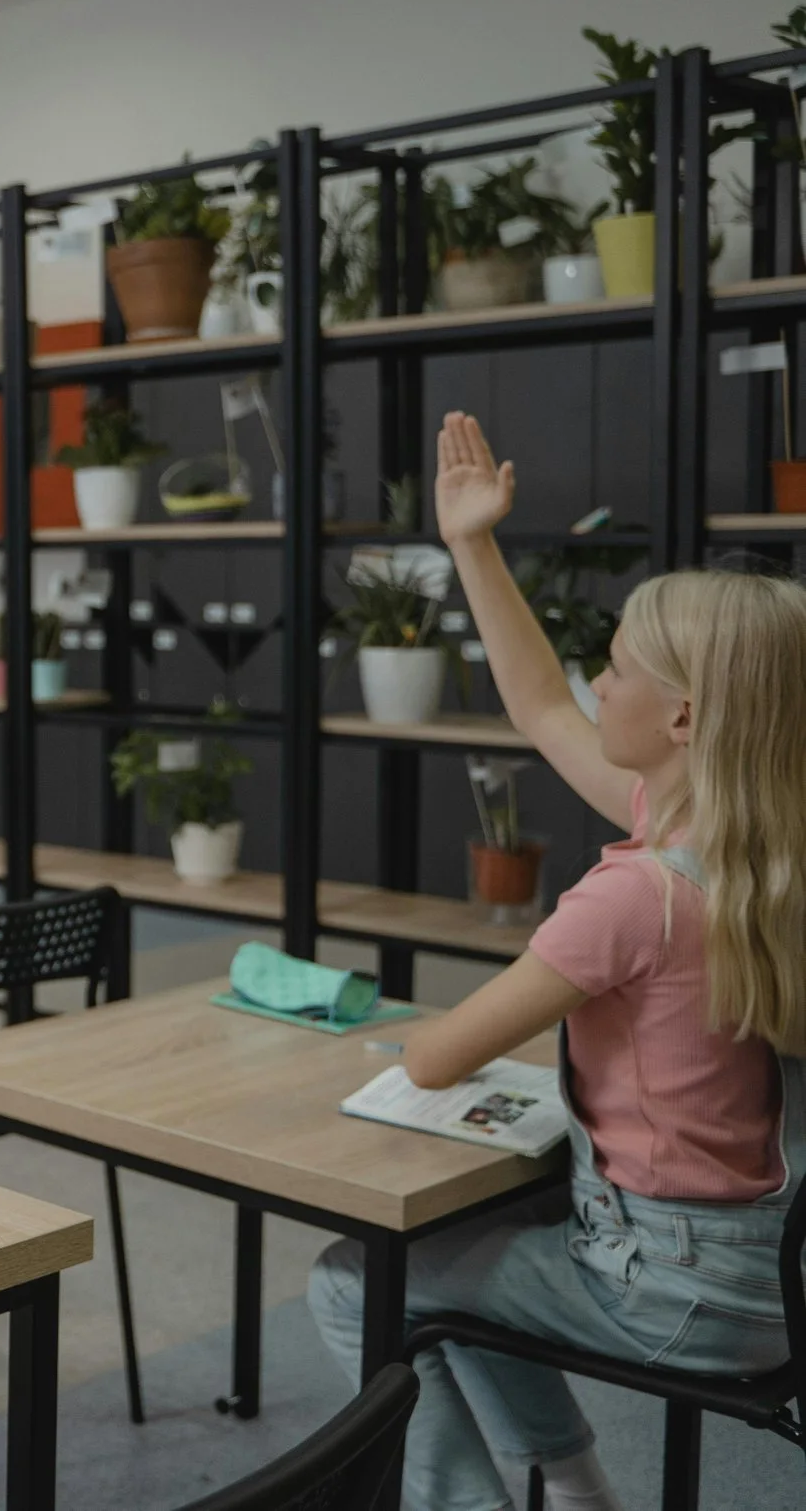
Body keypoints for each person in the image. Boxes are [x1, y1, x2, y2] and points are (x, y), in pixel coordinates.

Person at [305, 411, 806, 1511]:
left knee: (358, 1280)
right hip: (767, 1274)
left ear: (680, 715)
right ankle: (576, 1492)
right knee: (464, 1263)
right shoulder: (756, 843)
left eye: (615, 665)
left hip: (668, 1286)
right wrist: (472, 543)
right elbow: (537, 704)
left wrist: (409, 1034)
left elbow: (437, 1056)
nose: (594, 680)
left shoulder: (638, 893)